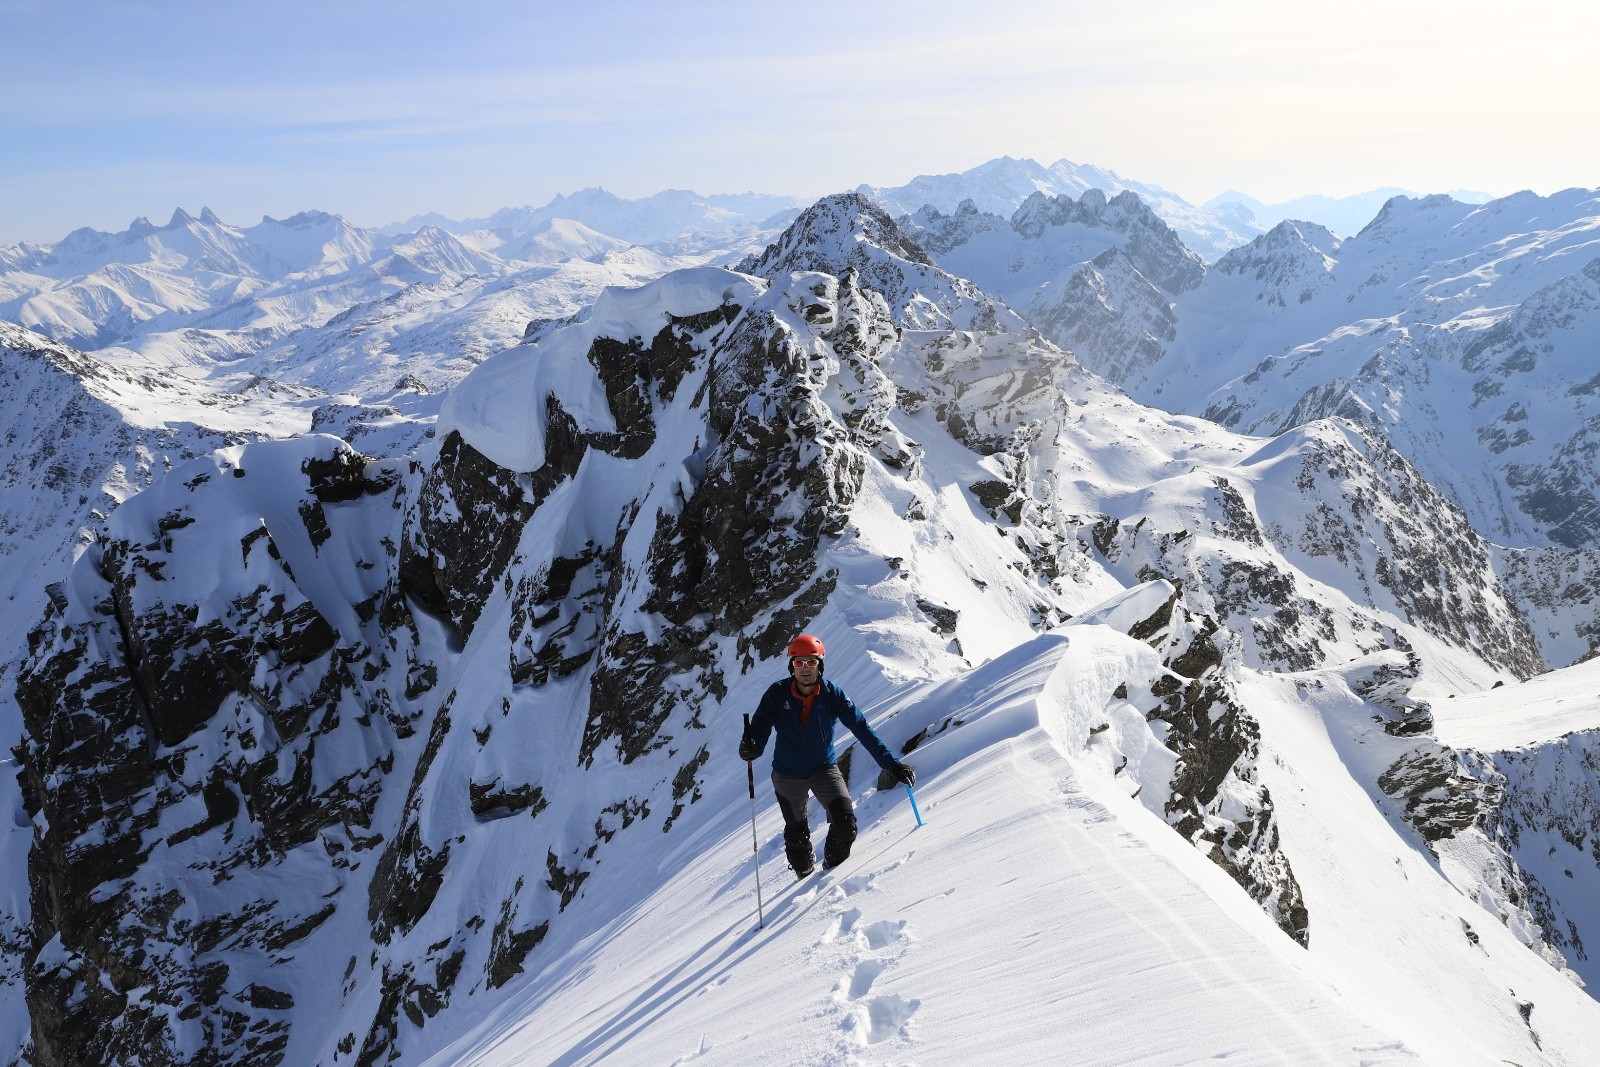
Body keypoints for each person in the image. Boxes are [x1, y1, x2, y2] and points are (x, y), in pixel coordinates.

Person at [740, 634, 916, 878]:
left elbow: (862, 729)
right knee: (797, 839)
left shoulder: (833, 695)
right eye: (799, 662)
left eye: (810, 662)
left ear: (819, 665)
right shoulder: (777, 694)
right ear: (791, 665)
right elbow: (759, 728)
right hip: (787, 775)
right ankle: (805, 868)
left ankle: (830, 876)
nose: (804, 669)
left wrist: (892, 765)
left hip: (824, 769)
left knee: (845, 825)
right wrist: (752, 747)